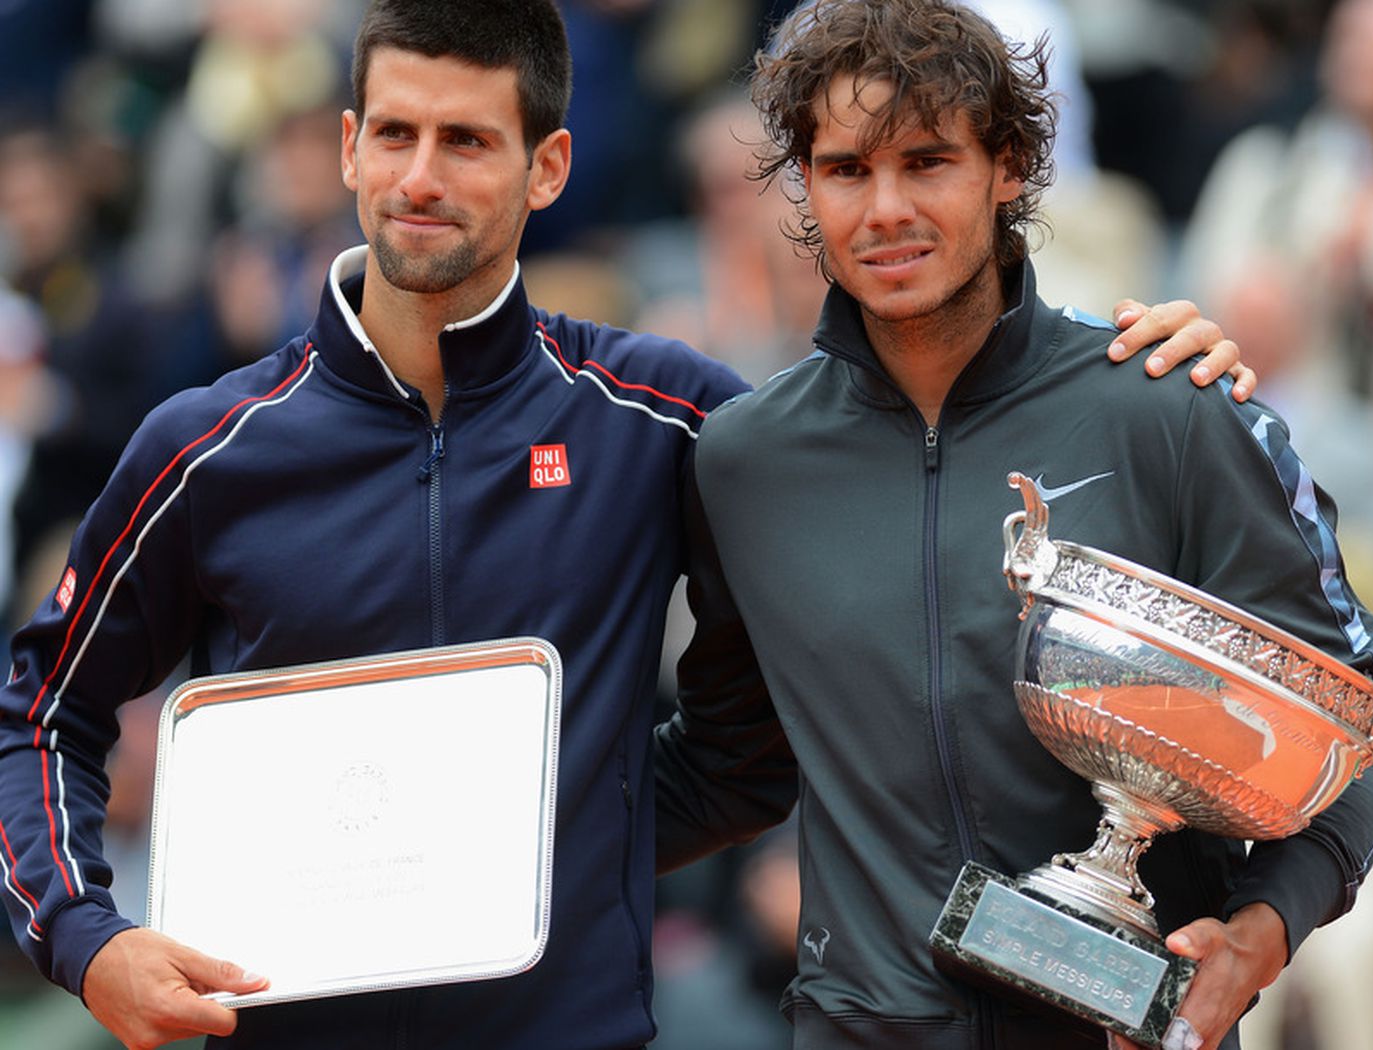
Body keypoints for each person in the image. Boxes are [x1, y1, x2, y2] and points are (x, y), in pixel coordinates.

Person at [0, 1, 1250, 1048]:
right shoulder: (206, 448)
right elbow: (39, 710)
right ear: (346, 146)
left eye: (467, 141)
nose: (421, 178)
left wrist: (1129, 374)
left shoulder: (666, 418)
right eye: (394, 133)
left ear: (546, 165)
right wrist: (83, 937)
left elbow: (878, 497)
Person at [653, 3, 1373, 1050]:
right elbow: (729, 764)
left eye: (927, 162)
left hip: (1130, 1032)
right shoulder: (742, 462)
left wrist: (1261, 928)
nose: (884, 210)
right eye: (844, 169)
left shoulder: (1168, 407)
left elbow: (1365, 715)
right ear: (803, 184)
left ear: (1007, 166)